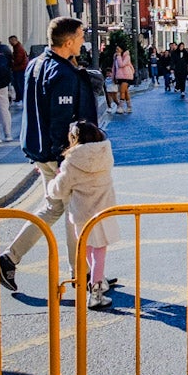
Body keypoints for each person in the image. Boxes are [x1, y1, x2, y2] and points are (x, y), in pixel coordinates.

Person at [0, 17, 98, 292]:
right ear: (69, 41)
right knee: (74, 213)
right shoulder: (62, 74)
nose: (84, 39)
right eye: (81, 35)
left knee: (53, 207)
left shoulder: (37, 63)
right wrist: (65, 159)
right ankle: (81, 275)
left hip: (37, 149)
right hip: (56, 154)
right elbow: (60, 121)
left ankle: (8, 259)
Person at [45, 120, 120, 309]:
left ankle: (96, 288)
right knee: (99, 251)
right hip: (104, 211)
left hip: (82, 213)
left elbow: (58, 190)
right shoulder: (105, 154)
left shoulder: (71, 163)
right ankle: (97, 287)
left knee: (87, 248)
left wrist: (56, 176)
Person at [112, 42, 135, 114]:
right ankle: (129, 107)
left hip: (126, 75)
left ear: (122, 49)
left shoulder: (127, 56)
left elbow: (121, 64)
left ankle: (120, 107)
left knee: (122, 91)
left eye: (118, 49)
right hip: (119, 76)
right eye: (116, 49)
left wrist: (119, 56)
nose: (117, 50)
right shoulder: (115, 56)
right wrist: (113, 76)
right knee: (125, 92)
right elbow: (114, 67)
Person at [8, 34, 28, 106]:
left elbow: (18, 60)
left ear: (14, 40)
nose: (10, 43)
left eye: (10, 41)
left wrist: (12, 62)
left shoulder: (18, 48)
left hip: (20, 69)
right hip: (20, 69)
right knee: (18, 85)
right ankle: (19, 99)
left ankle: (21, 99)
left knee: (19, 85)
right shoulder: (17, 47)